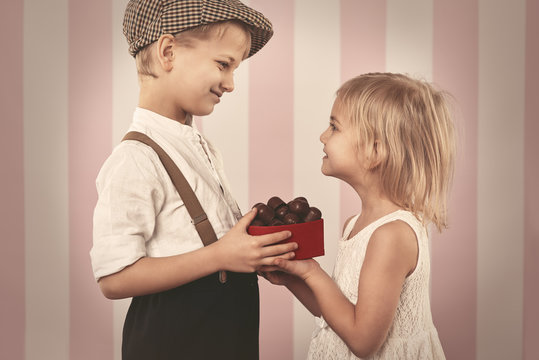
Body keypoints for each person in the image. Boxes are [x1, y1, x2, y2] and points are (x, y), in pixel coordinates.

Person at [90, 1, 297, 359]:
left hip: (225, 336)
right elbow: (114, 278)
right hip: (174, 341)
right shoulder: (135, 159)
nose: (231, 83)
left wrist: (249, 255)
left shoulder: (199, 146)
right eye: (223, 64)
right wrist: (219, 256)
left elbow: (199, 240)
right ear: (168, 52)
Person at [260, 72, 456, 359]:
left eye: (334, 127)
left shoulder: (391, 235)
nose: (322, 135)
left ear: (375, 150)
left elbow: (364, 341)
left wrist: (313, 272)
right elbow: (339, 310)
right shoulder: (356, 224)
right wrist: (293, 278)